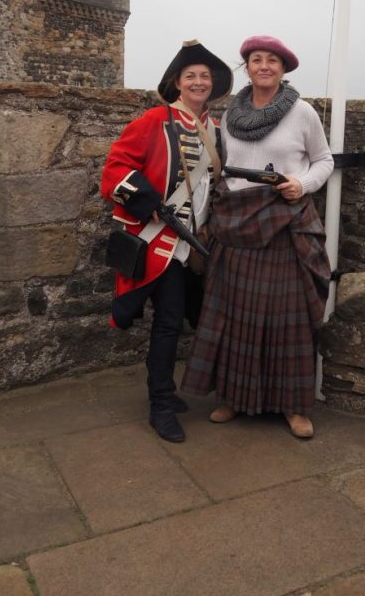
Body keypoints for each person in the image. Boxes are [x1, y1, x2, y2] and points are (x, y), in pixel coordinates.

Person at [182, 35, 333, 439]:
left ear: (283, 69)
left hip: (284, 221)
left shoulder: (302, 113)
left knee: (288, 320)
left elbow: (323, 160)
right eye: (255, 60)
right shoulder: (229, 113)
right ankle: (234, 398)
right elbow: (221, 165)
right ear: (246, 67)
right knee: (236, 316)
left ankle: (294, 408)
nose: (263, 66)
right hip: (235, 221)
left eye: (272, 61)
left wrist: (301, 185)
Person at [101, 40, 233, 443]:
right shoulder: (153, 121)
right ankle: (160, 404)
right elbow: (114, 172)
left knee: (191, 318)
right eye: (190, 76)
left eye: (204, 77)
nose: (198, 82)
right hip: (159, 239)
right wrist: (149, 202)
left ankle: (168, 394)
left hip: (194, 242)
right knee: (169, 322)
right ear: (177, 83)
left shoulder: (214, 128)